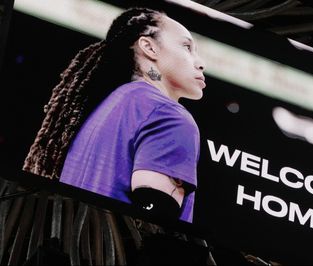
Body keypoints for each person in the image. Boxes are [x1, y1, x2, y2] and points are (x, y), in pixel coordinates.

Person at [22, 7, 206, 223]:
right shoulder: (170, 116)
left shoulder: (113, 102)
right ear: (149, 47)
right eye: (187, 46)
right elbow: (153, 224)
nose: (200, 63)